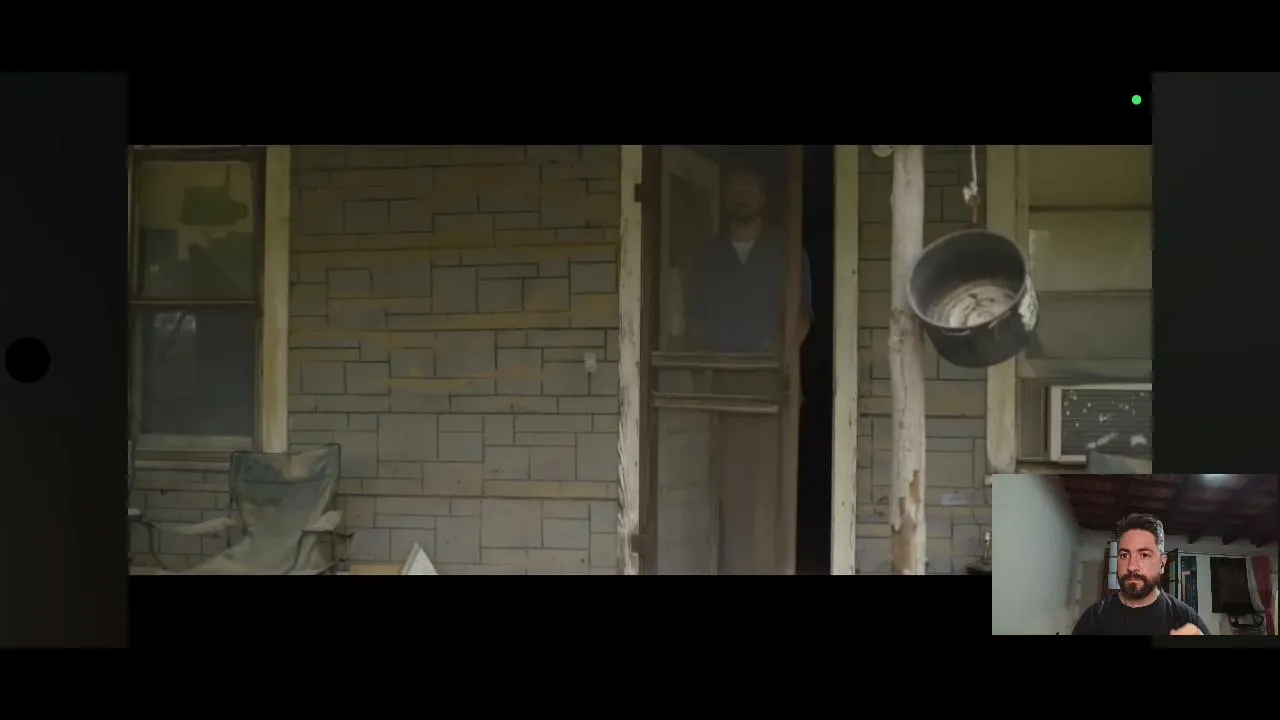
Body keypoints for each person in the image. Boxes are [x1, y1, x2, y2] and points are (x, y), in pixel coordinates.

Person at [686, 164, 812, 574]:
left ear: (763, 196)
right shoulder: (706, 256)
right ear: (724, 197)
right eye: (734, 188)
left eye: (749, 188)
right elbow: (693, 321)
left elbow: (801, 319)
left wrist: (775, 359)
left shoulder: (788, 252)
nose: (741, 195)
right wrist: (700, 375)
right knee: (722, 491)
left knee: (768, 491)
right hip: (719, 387)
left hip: (770, 386)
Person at [1071, 513, 1211, 636]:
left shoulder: (1185, 619)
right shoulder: (1094, 618)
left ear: (1162, 563)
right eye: (1124, 555)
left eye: (1144, 555)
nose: (1132, 566)